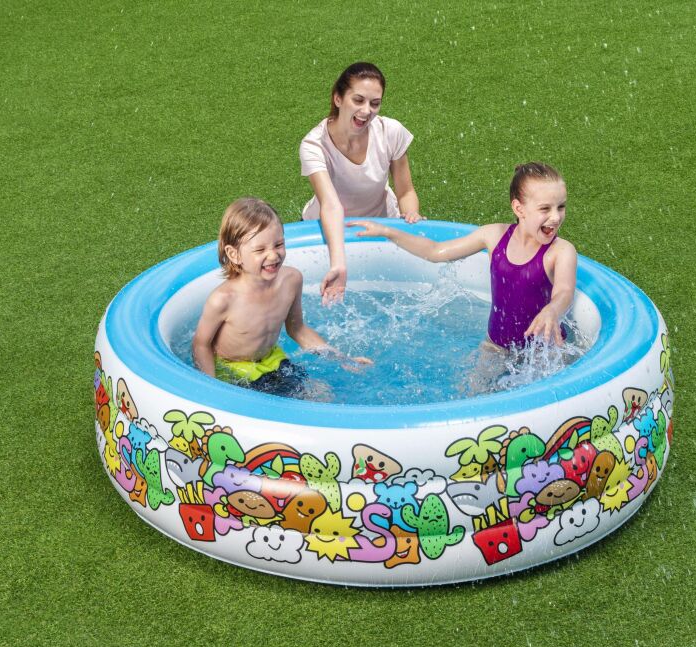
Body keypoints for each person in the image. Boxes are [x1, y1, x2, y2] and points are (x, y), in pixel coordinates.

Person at [348, 162, 577, 385]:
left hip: (544, 350)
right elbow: (436, 251)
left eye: (561, 207)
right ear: (519, 209)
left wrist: (552, 310)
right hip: (496, 345)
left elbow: (564, 292)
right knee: (471, 391)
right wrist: (388, 231)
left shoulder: (561, 251)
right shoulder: (494, 236)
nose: (556, 217)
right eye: (545, 209)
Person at [192, 198, 370, 397]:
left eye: (278, 244)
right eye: (260, 250)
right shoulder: (224, 299)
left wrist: (342, 359)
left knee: (322, 394)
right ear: (234, 255)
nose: (273, 255)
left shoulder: (291, 280)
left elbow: (297, 329)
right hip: (234, 368)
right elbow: (201, 344)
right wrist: (210, 386)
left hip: (272, 359)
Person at [299, 62, 424, 304]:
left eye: (374, 103)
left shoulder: (391, 131)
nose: (366, 111)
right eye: (358, 100)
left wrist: (410, 215)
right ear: (338, 99)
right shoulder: (314, 145)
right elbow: (331, 205)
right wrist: (339, 264)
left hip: (382, 223)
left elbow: (406, 191)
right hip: (328, 228)